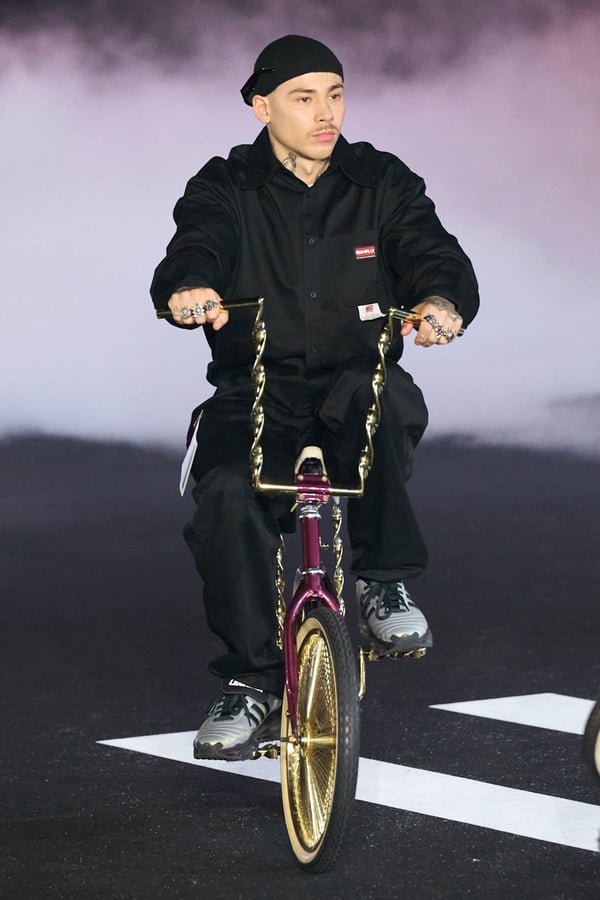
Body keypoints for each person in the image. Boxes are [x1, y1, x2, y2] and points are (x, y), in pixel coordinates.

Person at [150, 34, 479, 761]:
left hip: (355, 376)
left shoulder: (380, 179)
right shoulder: (225, 185)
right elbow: (195, 246)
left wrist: (439, 301)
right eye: (304, 98)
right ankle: (252, 679)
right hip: (256, 386)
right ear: (262, 107)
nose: (325, 112)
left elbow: (433, 253)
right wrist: (191, 288)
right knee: (226, 499)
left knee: (386, 405)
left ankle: (381, 585)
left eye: (335, 94)